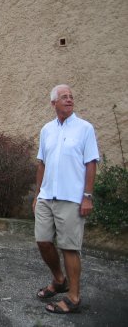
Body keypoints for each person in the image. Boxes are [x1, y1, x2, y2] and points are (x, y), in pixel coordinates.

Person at [33, 84, 99, 314]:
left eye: (71, 96)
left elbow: (91, 163)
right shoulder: (46, 130)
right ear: (53, 103)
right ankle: (59, 280)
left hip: (71, 198)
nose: (69, 99)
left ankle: (73, 297)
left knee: (70, 247)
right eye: (64, 97)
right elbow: (42, 163)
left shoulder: (85, 129)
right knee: (42, 240)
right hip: (46, 196)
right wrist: (37, 193)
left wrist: (87, 197)